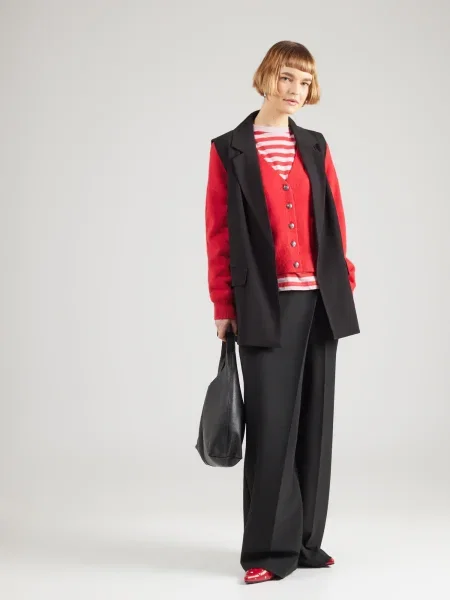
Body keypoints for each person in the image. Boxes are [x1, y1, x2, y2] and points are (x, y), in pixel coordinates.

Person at [204, 40, 360, 584]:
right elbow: (219, 233)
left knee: (315, 421)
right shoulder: (229, 149)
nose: (295, 90)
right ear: (267, 76)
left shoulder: (315, 145)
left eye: (304, 81)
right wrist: (223, 304)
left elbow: (334, 214)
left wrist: (344, 278)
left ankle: (305, 542)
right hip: (263, 305)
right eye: (287, 77)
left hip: (320, 300)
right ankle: (268, 552)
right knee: (272, 426)